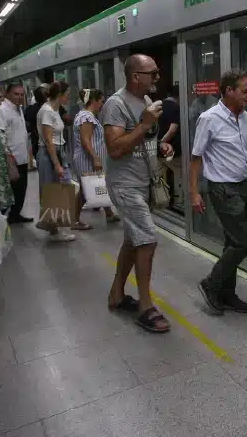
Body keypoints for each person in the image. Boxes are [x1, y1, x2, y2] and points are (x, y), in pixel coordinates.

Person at [102, 54, 175, 333]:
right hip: (125, 185)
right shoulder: (115, 105)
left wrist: (160, 148)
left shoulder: (145, 102)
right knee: (147, 239)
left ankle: (116, 294)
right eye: (152, 73)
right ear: (135, 77)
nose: (157, 77)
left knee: (133, 241)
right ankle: (146, 306)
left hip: (143, 181)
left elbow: (143, 143)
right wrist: (144, 125)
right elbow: (116, 149)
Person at [190, 71, 247, 315]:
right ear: (228, 91)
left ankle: (227, 293)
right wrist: (194, 192)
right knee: (242, 243)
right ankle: (211, 283)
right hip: (222, 189)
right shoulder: (209, 118)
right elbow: (196, 158)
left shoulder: (244, 117)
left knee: (231, 242)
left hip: (242, 186)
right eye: (244, 90)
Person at [36, 81, 77, 242]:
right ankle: (54, 228)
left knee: (57, 191)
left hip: (58, 153)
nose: (69, 97)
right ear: (60, 95)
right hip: (50, 154)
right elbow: (48, 140)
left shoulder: (54, 110)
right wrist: (57, 164)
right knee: (53, 191)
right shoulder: (47, 111)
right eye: (67, 94)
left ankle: (54, 227)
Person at [72, 89, 119, 226]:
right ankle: (75, 221)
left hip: (90, 158)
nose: (102, 105)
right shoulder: (86, 117)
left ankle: (109, 213)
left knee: (98, 184)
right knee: (85, 189)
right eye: (101, 101)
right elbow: (86, 140)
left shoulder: (87, 116)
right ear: (93, 101)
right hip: (87, 159)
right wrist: (95, 158)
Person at [0, 83, 33, 223]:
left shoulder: (19, 109)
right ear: (7, 94)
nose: (19, 97)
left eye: (21, 94)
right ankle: (4, 217)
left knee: (21, 189)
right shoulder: (3, 110)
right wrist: (8, 157)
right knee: (12, 189)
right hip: (12, 158)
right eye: (16, 94)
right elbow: (2, 135)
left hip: (22, 156)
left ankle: (15, 214)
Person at [158, 84, 182, 210]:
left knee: (163, 175)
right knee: (178, 174)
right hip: (172, 149)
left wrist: (158, 144)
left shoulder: (159, 105)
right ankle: (177, 202)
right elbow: (173, 129)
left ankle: (163, 200)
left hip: (160, 151)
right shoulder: (176, 107)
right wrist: (162, 142)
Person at [25, 85, 48, 162]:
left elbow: (27, 126)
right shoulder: (50, 108)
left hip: (37, 144)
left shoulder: (29, 109)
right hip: (41, 145)